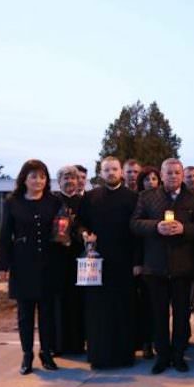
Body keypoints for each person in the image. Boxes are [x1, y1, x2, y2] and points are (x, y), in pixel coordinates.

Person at [131, 158, 194, 374]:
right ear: (161, 175)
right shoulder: (147, 197)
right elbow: (134, 223)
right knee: (159, 314)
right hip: (155, 267)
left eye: (176, 172)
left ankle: (179, 354)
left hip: (183, 267)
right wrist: (156, 226)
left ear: (182, 175)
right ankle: (162, 356)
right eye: (169, 173)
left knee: (182, 314)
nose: (173, 176)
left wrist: (184, 229)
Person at [0, 159, 62, 375]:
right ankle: (27, 354)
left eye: (42, 176)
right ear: (24, 178)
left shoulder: (54, 201)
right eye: (34, 176)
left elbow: (63, 227)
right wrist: (2, 265)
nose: (38, 181)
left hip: (49, 264)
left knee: (47, 313)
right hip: (22, 264)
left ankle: (46, 353)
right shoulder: (12, 202)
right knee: (25, 314)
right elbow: (5, 235)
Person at [77, 156, 138, 370]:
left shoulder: (133, 198)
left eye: (114, 169)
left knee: (124, 309)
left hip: (123, 262)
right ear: (101, 173)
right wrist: (85, 234)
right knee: (97, 310)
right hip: (96, 263)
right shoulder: (90, 197)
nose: (111, 173)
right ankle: (99, 356)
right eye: (106, 170)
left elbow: (137, 232)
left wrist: (137, 262)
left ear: (121, 172)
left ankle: (124, 356)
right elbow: (80, 223)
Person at [52, 165, 85, 356]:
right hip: (57, 257)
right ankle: (58, 344)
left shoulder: (84, 201)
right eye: (66, 178)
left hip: (78, 256)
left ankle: (77, 343)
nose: (70, 181)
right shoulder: (53, 201)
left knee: (77, 301)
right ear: (60, 181)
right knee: (59, 301)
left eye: (73, 178)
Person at [134, 165, 160, 358]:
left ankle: (155, 340)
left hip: (157, 259)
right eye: (146, 179)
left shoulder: (161, 200)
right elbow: (135, 234)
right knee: (143, 305)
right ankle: (145, 342)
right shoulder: (138, 200)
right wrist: (137, 262)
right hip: (141, 258)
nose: (150, 182)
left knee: (155, 305)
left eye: (153, 179)